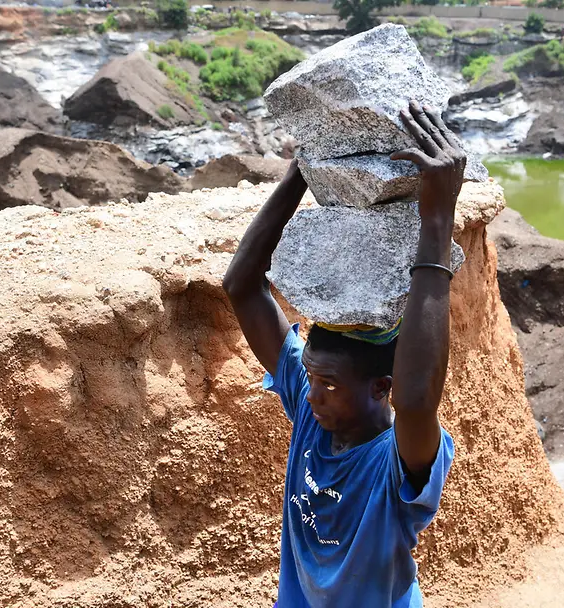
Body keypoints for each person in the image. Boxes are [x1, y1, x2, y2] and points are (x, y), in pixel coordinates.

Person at [222, 100, 464, 607]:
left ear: (382, 387)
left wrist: (438, 218)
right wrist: (301, 174)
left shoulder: (399, 461)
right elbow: (242, 286)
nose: (310, 396)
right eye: (310, 378)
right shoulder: (315, 416)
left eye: (328, 385)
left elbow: (419, 400)